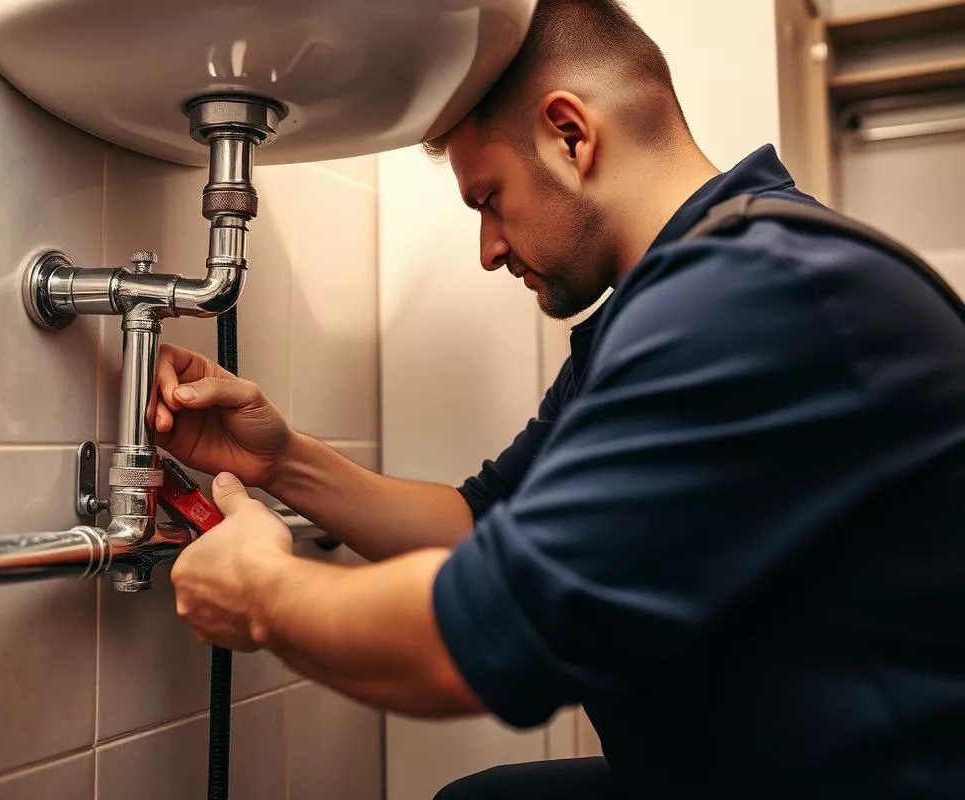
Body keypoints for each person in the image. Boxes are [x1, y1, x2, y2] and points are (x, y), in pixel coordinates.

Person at [159, 1, 965, 797]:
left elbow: (493, 633)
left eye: (489, 199)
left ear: (570, 135)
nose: (488, 249)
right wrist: (282, 462)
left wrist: (262, 593)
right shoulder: (669, 300)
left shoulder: (753, 294)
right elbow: (480, 524)